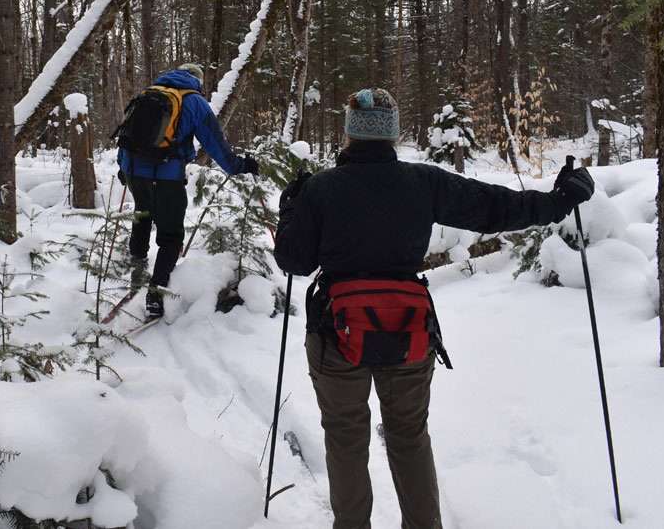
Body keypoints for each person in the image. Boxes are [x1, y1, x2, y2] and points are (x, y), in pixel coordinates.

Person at [274, 88, 594, 529]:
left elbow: (295, 261)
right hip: (409, 330)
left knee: (346, 436)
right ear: (392, 132)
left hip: (336, 335)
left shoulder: (320, 189)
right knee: (409, 436)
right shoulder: (423, 183)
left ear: (350, 133)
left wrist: (290, 210)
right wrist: (560, 201)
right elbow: (495, 209)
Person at [117, 63, 258, 317]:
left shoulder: (148, 93)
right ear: (198, 81)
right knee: (170, 236)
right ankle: (156, 294)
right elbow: (216, 144)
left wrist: (123, 168)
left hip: (134, 172)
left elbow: (126, 135)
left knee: (142, 216)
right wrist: (240, 167)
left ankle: (136, 275)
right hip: (167, 176)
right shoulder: (194, 102)